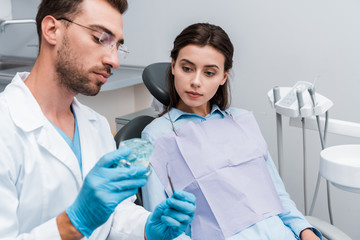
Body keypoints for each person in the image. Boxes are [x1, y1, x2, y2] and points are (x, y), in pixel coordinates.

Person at [0, 0, 196, 239]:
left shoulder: (97, 124)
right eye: (100, 38)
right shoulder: (6, 127)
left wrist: (146, 229)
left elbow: (113, 214)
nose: (114, 61)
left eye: (117, 46)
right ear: (52, 30)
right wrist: (71, 224)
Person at [141, 23, 322, 240]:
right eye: (187, 68)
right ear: (173, 66)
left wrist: (305, 230)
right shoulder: (156, 137)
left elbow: (277, 193)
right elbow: (160, 225)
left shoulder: (241, 119)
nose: (195, 82)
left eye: (209, 73)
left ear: (223, 77)